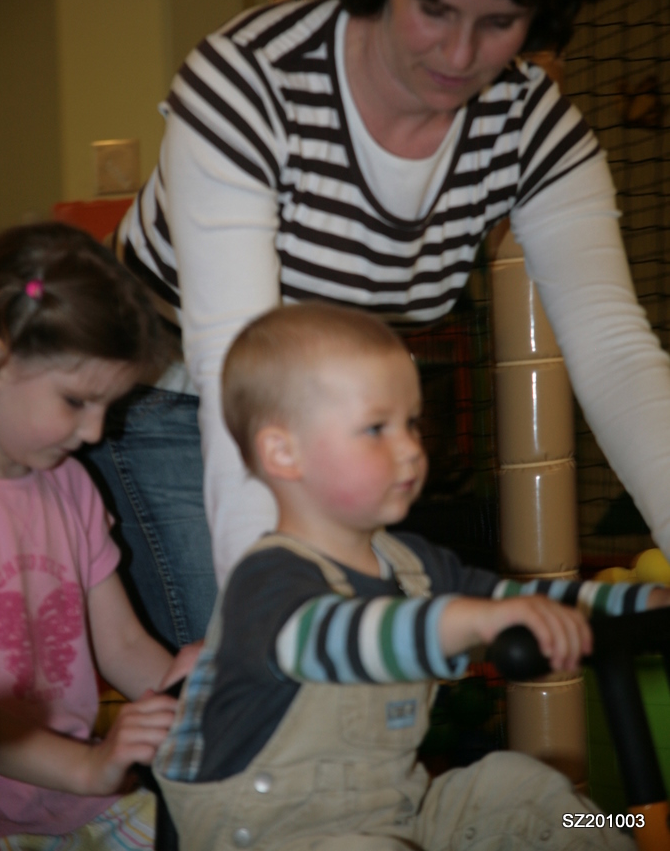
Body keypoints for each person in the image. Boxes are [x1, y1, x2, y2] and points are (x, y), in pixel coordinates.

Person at [91, 0, 670, 645]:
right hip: (171, 397)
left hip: (332, 417)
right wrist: (269, 623)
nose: (459, 54)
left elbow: (614, 353)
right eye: (434, 10)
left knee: (367, 667)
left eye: (499, 21)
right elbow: (236, 368)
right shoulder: (249, 85)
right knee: (261, 654)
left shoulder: (529, 126)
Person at [155, 303, 668, 851]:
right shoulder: (268, 579)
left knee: (522, 790)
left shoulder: (413, 566)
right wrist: (474, 619)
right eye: (377, 428)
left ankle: (624, 835)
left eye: (412, 423)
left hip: (393, 813)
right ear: (284, 453)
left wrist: (635, 604)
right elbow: (332, 637)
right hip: (267, 835)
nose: (410, 448)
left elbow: (516, 597)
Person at [0, 223, 200, 850]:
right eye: (76, 401)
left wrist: (189, 693)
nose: (94, 433)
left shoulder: (72, 484)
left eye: (110, 405)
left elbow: (124, 645)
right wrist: (89, 765)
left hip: (79, 804)